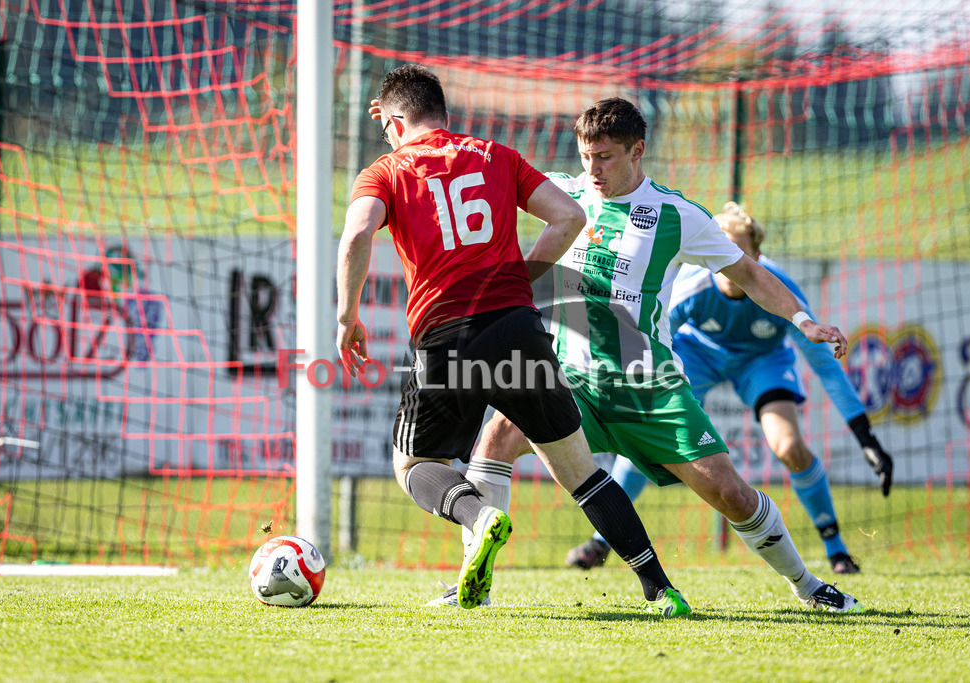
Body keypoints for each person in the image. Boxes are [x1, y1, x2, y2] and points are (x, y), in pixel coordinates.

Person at [435, 97, 862, 613]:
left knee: (731, 495)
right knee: (497, 436)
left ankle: (808, 585)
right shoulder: (564, 193)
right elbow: (488, 171)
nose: (593, 169)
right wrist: (421, 133)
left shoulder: (677, 215)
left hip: (648, 387)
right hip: (571, 378)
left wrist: (802, 320)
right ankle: (472, 588)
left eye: (607, 156)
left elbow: (748, 274)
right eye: (586, 155)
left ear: (638, 151)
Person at [339, 65, 691, 615]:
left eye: (387, 125)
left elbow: (359, 231)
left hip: (446, 332)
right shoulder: (495, 155)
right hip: (518, 329)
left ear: (397, 120)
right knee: (580, 470)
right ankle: (660, 590)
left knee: (413, 467)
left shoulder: (386, 170)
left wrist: (346, 315)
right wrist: (520, 278)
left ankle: (480, 517)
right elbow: (569, 217)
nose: (386, 135)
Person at [566, 202, 894, 574]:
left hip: (762, 361)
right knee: (645, 431)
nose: (729, 262)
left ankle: (836, 550)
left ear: (756, 256)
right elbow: (649, 339)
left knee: (789, 447)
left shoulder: (778, 289)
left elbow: (826, 366)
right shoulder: (694, 290)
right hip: (698, 355)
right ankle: (601, 542)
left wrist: (868, 440)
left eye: (740, 253)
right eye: (723, 251)